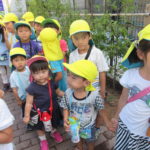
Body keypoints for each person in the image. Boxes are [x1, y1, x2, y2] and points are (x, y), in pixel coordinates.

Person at [60, 60, 114, 150]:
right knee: (77, 139)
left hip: (88, 126)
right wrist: (65, 118)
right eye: (68, 75)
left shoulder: (94, 95)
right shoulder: (68, 93)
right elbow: (65, 107)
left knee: (90, 140)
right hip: (74, 124)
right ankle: (79, 148)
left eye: (73, 78)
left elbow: (101, 109)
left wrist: (107, 122)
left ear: (86, 83)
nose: (68, 79)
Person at [112, 27, 150, 149]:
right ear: (140, 54)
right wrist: (116, 117)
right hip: (125, 124)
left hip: (144, 134)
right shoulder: (131, 75)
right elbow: (123, 98)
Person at [68, 19, 109, 132]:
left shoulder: (97, 53)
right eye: (76, 38)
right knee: (85, 110)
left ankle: (96, 127)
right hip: (80, 90)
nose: (80, 41)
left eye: (83, 37)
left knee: (99, 108)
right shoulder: (72, 55)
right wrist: (71, 88)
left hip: (95, 89)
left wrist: (103, 91)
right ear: (71, 39)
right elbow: (71, 74)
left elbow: (102, 72)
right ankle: (85, 127)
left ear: (89, 36)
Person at [23, 56, 64, 150]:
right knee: (40, 128)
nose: (40, 75)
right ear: (32, 74)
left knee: (53, 123)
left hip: (53, 110)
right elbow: (29, 103)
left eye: (43, 72)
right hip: (39, 113)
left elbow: (58, 92)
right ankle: (43, 140)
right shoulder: (32, 88)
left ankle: (53, 132)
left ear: (48, 71)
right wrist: (26, 115)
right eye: (36, 73)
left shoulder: (53, 83)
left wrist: (68, 95)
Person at [42, 18, 68, 91]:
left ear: (58, 30)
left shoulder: (58, 44)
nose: (48, 31)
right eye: (46, 29)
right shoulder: (47, 43)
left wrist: (51, 84)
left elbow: (59, 76)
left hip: (58, 87)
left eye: (51, 28)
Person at [9, 47, 30, 118]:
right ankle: (28, 122)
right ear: (12, 62)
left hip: (33, 94)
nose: (20, 62)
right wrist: (18, 100)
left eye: (22, 59)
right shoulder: (13, 75)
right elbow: (14, 90)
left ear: (26, 60)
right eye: (16, 60)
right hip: (23, 98)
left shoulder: (29, 69)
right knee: (25, 110)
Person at [0, 22, 10, 91]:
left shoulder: (5, 34)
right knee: (2, 69)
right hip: (1, 54)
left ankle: (9, 82)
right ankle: (5, 83)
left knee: (7, 68)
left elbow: (7, 43)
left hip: (5, 53)